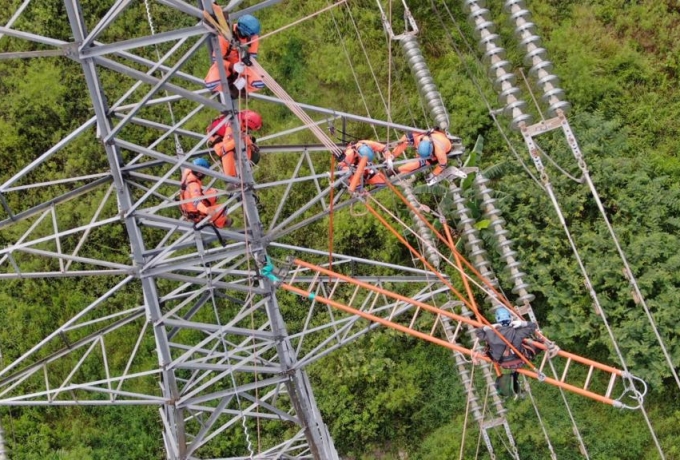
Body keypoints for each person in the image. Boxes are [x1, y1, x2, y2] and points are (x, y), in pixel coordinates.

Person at [474, 307, 542, 398]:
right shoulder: (517, 332)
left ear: (497, 319)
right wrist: (521, 323)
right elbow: (533, 326)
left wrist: (490, 327)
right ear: (510, 318)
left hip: (503, 363)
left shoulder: (491, 333)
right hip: (520, 359)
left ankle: (515, 380)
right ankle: (544, 345)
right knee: (536, 344)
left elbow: (478, 332)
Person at [204, 13, 265, 97]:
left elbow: (252, 58)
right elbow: (216, 60)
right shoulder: (224, 37)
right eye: (246, 35)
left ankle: (242, 89)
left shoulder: (253, 37)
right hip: (226, 67)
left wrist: (245, 65)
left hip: (243, 67)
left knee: (259, 83)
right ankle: (229, 88)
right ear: (239, 31)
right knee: (211, 84)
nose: (248, 38)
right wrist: (232, 66)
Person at [383, 130, 458, 184]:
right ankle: (392, 156)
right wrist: (392, 155)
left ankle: (396, 170)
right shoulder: (422, 138)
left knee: (418, 164)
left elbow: (442, 165)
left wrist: (433, 174)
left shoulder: (440, 154)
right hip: (432, 138)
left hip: (436, 151)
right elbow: (407, 137)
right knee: (405, 140)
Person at [207, 110, 263, 181]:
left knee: (246, 140)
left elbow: (243, 134)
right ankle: (231, 179)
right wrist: (237, 140)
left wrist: (250, 144)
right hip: (217, 138)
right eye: (250, 128)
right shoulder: (231, 126)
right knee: (227, 152)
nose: (250, 130)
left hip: (228, 135)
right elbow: (223, 149)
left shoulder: (241, 118)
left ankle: (246, 164)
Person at [179, 158, 232, 228]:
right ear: (199, 173)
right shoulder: (193, 185)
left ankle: (211, 206)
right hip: (195, 211)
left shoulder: (189, 173)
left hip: (189, 203)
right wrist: (207, 210)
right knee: (222, 208)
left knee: (213, 193)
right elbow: (196, 202)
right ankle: (220, 223)